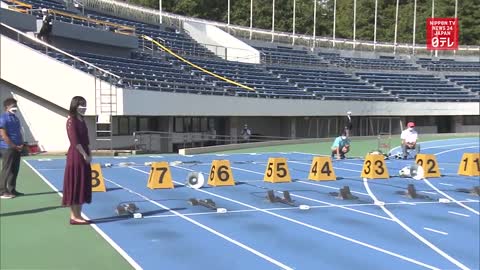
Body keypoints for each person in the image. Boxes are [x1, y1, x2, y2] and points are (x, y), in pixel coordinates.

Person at [62, 96, 92, 225]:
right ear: (75, 106)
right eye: (81, 105)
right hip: (76, 156)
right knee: (76, 184)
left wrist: (90, 152)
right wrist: (84, 154)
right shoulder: (71, 120)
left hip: (84, 154)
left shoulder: (82, 120)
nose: (84, 108)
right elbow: (75, 141)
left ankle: (78, 215)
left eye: (85, 105)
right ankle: (74, 216)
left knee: (82, 185)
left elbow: (86, 139)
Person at [0, 98, 24, 199]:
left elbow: (18, 132)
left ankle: (11, 189)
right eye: (13, 106)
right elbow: (4, 135)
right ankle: (2, 191)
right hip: (7, 148)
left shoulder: (15, 118)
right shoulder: (3, 118)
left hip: (17, 148)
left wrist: (21, 144)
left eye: (16, 106)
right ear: (6, 107)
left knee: (15, 169)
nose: (15, 108)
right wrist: (13, 145)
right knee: (7, 169)